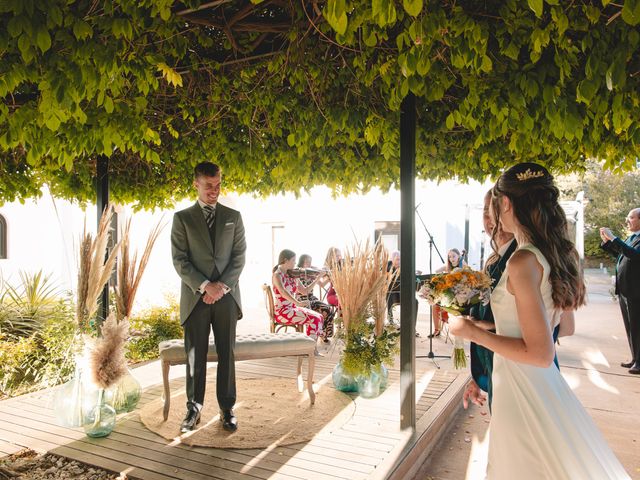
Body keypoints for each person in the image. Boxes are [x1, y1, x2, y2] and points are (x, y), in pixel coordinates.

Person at [450, 162, 630, 479]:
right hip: (540, 384)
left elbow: (541, 353)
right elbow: (562, 327)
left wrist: (471, 333)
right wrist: (487, 327)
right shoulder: (554, 253)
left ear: (505, 203)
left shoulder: (522, 260)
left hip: (521, 385)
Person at [171, 161, 246, 433]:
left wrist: (221, 287)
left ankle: (227, 409)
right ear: (196, 184)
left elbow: (239, 258)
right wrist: (205, 286)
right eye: (208, 186)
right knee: (195, 355)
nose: (214, 191)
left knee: (227, 353)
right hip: (196, 298)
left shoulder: (233, 217)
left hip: (227, 297)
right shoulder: (182, 219)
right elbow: (179, 261)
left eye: (217, 185)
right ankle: (194, 408)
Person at [600, 208, 640, 374]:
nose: (627, 220)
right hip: (625, 290)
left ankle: (639, 362)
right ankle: (635, 358)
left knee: (638, 327)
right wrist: (607, 242)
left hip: (636, 290)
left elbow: (634, 255)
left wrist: (614, 238)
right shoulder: (632, 237)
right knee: (630, 326)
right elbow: (622, 255)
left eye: (631, 217)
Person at [272, 249, 324, 350]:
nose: (295, 263)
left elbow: (305, 291)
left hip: (292, 308)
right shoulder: (277, 275)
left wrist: (317, 278)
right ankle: (309, 349)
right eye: (293, 261)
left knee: (319, 316)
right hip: (282, 312)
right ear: (286, 260)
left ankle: (311, 348)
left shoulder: (292, 274)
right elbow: (283, 292)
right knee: (314, 319)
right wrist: (297, 303)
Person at [296, 253, 335, 341]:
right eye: (307, 261)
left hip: (311, 298)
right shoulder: (297, 273)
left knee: (327, 309)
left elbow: (322, 284)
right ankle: (314, 335)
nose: (310, 264)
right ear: (303, 262)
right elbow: (304, 292)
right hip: (301, 299)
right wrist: (318, 276)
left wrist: (329, 276)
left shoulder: (310, 273)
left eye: (310, 261)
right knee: (318, 309)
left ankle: (324, 334)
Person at [430, 248, 467, 337]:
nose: (451, 259)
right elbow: (436, 272)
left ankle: (457, 328)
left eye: (454, 256)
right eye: (449, 257)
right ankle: (437, 329)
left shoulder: (464, 266)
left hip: (460, 295)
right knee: (435, 305)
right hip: (449, 295)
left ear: (459, 256)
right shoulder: (448, 267)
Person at [386, 251, 401, 324]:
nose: (398, 261)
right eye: (396, 259)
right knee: (388, 296)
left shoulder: (403, 266)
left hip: (401, 292)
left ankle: (406, 322)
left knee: (414, 301)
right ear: (392, 259)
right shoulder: (388, 265)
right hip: (391, 292)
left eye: (399, 259)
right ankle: (390, 321)